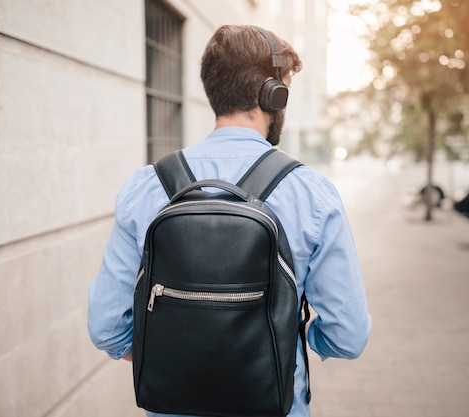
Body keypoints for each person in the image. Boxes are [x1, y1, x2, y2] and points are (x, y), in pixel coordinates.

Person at [87, 24, 372, 417]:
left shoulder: (145, 187)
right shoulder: (312, 194)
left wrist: (184, 359)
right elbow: (349, 335)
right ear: (274, 95)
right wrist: (294, 340)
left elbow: (107, 327)